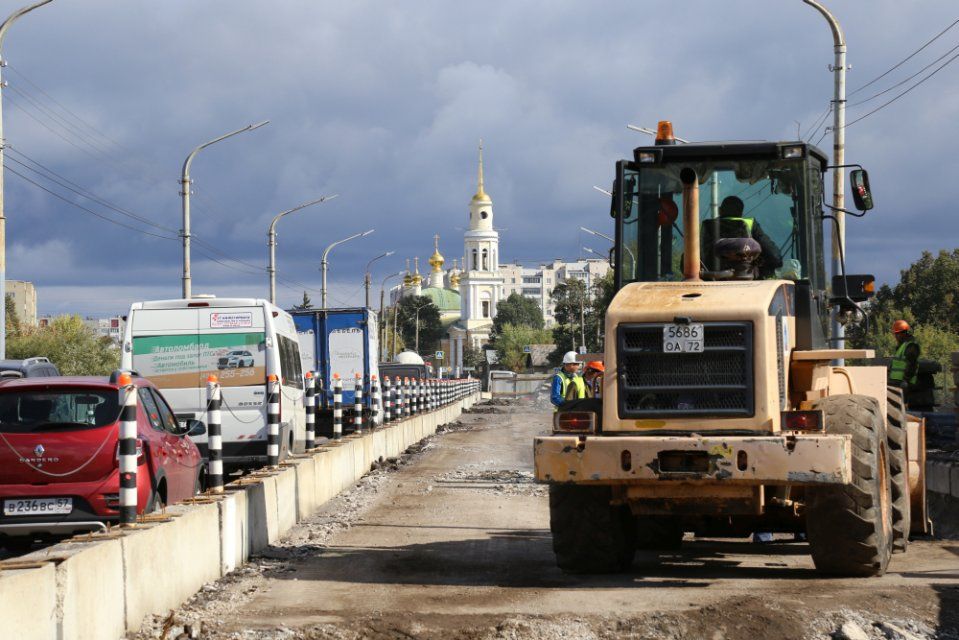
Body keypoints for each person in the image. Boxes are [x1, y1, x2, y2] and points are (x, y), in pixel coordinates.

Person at [702, 195, 783, 278]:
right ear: (741, 213)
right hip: (747, 280)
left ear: (719, 210)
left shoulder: (706, 226)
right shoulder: (750, 224)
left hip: (710, 280)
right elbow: (774, 257)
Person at [888, 320, 920, 393]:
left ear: (904, 333)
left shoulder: (911, 346)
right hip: (897, 382)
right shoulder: (902, 345)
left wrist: (906, 380)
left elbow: (912, 365)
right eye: (895, 334)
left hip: (904, 383)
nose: (895, 336)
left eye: (897, 334)